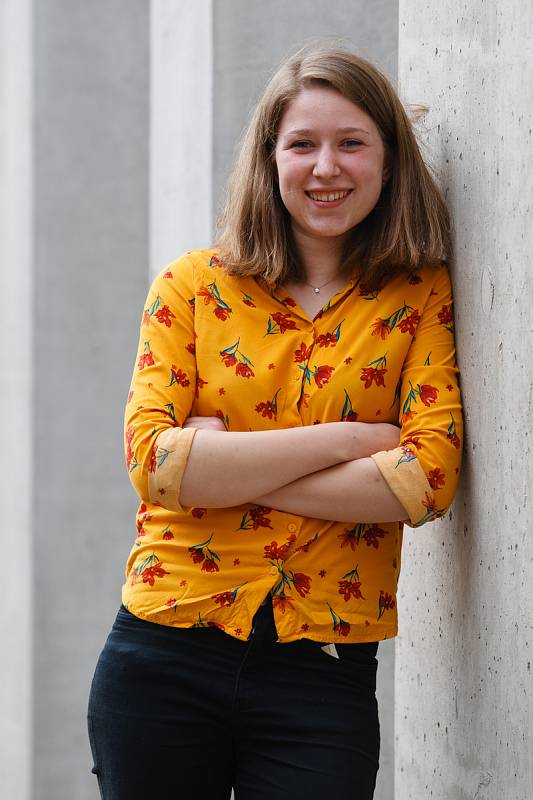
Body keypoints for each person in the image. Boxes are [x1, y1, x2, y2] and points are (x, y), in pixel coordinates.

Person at [87, 45, 463, 799]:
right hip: (162, 654)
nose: (326, 167)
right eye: (302, 144)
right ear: (269, 159)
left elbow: (424, 482)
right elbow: (156, 466)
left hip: (321, 677)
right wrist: (354, 442)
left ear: (387, 160)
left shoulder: (418, 296)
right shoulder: (191, 287)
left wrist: (223, 471)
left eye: (351, 143)